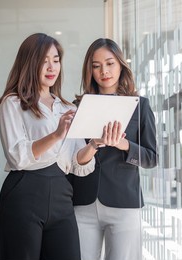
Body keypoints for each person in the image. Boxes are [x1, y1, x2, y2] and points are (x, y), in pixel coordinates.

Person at [0, 33, 98, 260]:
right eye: (44, 60)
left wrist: (95, 145)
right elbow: (17, 156)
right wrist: (57, 134)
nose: (52, 67)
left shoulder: (67, 107)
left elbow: (77, 164)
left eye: (56, 60)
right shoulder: (13, 103)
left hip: (62, 197)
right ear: (30, 63)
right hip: (23, 195)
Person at [67, 38, 158, 260]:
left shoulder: (140, 105)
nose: (103, 71)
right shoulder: (78, 107)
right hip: (83, 202)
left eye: (109, 63)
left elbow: (151, 158)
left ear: (120, 65)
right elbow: (70, 157)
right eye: (96, 66)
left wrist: (123, 144)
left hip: (124, 202)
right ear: (89, 71)